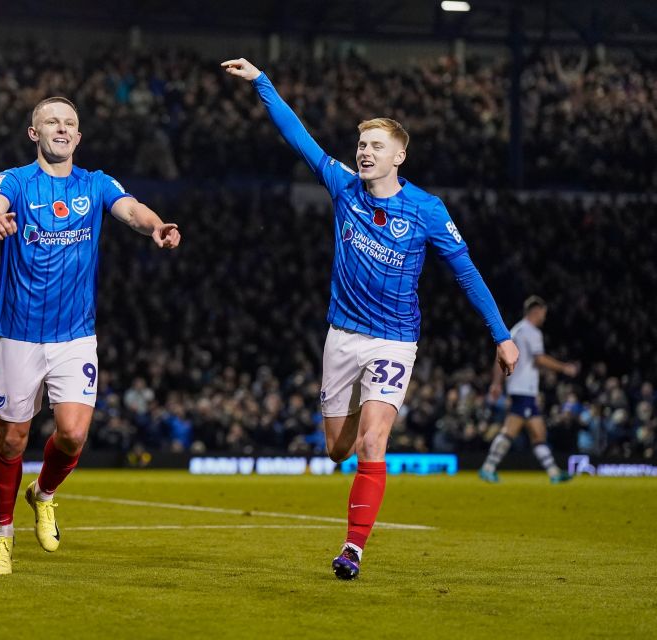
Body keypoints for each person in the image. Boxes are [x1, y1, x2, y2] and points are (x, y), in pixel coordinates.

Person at [222, 58, 519, 580]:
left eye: (376, 145)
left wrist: (502, 335)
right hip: (342, 338)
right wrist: (263, 82)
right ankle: (356, 418)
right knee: (338, 449)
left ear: (399, 155)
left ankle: (352, 550)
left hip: (394, 341)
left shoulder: (427, 209)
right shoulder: (343, 188)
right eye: (362, 144)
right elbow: (300, 138)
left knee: (372, 442)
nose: (364, 151)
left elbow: (467, 273)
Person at [0, 96, 181, 576]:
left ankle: (43, 495)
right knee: (11, 442)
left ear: (79, 136)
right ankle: (2, 535)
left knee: (72, 434)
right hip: (19, 334)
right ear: (34, 133)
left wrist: (155, 226)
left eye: (69, 123)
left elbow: (130, 210)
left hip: (74, 335)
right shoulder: (15, 181)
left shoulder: (95, 183)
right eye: (51, 121)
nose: (61, 128)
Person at [480, 296, 578, 484]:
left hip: (520, 389)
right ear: (536, 312)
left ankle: (554, 473)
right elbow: (539, 359)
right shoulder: (532, 332)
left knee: (539, 433)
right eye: (543, 313)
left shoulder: (515, 330)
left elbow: (499, 357)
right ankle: (488, 467)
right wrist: (564, 368)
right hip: (524, 389)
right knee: (510, 431)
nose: (544, 317)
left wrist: (497, 383)